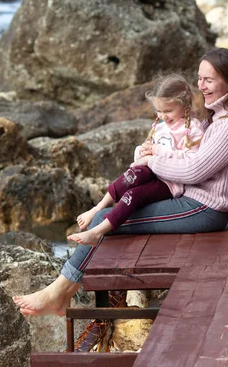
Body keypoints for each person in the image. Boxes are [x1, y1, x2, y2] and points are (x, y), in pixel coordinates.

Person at [13, 48, 228, 317]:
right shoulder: (222, 116)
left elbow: (195, 170)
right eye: (199, 79)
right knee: (120, 204)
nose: (201, 86)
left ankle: (58, 292)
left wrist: (152, 160)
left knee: (104, 221)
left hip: (204, 208)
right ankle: (63, 293)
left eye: (208, 80)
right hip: (191, 199)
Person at [67, 74, 205, 247]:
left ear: (184, 105)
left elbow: (191, 160)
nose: (163, 116)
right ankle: (98, 207)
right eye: (159, 111)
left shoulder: (192, 129)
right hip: (150, 170)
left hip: (169, 182)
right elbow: (141, 154)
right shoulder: (161, 127)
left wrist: (158, 151)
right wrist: (142, 151)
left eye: (168, 111)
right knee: (133, 174)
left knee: (133, 195)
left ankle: (98, 231)